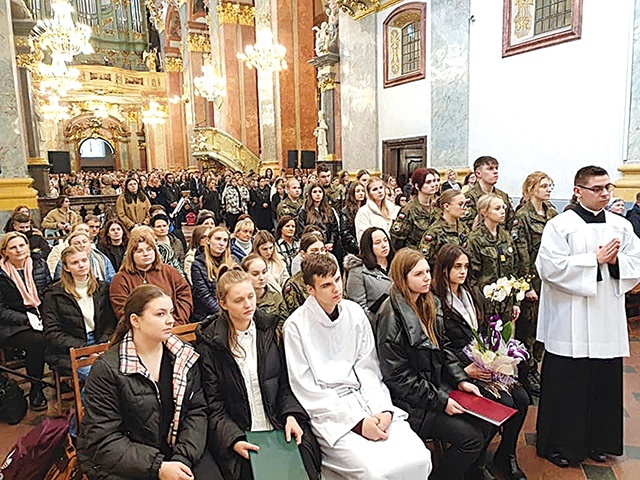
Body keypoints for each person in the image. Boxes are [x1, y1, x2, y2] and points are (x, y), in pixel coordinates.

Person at [283, 254, 432, 479]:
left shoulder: (354, 312)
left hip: (368, 400)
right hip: (331, 415)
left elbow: (368, 368)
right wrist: (357, 424)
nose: (335, 288)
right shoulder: (295, 326)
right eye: (326, 285)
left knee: (419, 458)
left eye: (337, 280)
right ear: (310, 289)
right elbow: (307, 389)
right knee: (374, 472)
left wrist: (383, 410)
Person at [535, 166, 640, 468]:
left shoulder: (620, 225)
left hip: (606, 316)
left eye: (608, 187)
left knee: (602, 382)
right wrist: (593, 260)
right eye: (597, 188)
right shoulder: (560, 225)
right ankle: (561, 444)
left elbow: (636, 261)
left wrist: (618, 260)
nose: (605, 193)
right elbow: (549, 268)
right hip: (571, 319)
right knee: (569, 382)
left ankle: (599, 442)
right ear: (578, 191)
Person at [375, 247, 497, 480]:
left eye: (428, 272)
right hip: (410, 403)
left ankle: (470, 471)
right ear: (403, 278)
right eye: (419, 274)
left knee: (486, 421)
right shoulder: (390, 316)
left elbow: (443, 350)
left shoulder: (429, 302)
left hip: (434, 389)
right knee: (471, 439)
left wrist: (461, 380)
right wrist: (442, 402)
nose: (427, 278)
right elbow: (398, 378)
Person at [78, 284, 221, 479]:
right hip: (129, 463)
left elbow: (196, 411)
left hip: (178, 450)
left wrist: (182, 459)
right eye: (160, 314)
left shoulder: (184, 356)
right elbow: (103, 440)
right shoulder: (107, 369)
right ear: (135, 320)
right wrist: (159, 467)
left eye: (171, 312)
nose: (170, 320)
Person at [196, 268, 320, 479]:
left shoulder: (268, 330)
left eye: (251, 296)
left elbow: (285, 383)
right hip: (241, 434)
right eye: (239, 300)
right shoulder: (211, 344)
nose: (248, 304)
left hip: (279, 425)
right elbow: (213, 404)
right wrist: (233, 439)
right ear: (223, 304)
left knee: (305, 466)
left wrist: (290, 415)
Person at [433, 244, 529, 480]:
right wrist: (464, 371)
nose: (462, 271)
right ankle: (475, 464)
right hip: (459, 370)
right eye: (457, 267)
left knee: (523, 400)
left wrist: (494, 354)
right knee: (504, 401)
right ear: (444, 269)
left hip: (482, 365)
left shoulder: (472, 293)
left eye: (465, 266)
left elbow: (484, 329)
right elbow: (439, 346)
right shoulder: (436, 301)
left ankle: (506, 455)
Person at [512, 172, 557, 396]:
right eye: (544, 186)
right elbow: (521, 254)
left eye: (550, 186)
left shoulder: (552, 214)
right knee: (528, 327)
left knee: (543, 325)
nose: (548, 189)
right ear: (531, 188)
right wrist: (526, 284)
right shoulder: (523, 216)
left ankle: (535, 366)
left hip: (549, 280)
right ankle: (525, 371)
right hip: (532, 280)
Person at [42, 246, 117, 377]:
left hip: (101, 342)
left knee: (122, 371)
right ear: (66, 267)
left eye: (84, 260)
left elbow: (110, 323)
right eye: (75, 263)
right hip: (69, 349)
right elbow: (53, 333)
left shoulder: (103, 288)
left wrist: (101, 347)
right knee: (100, 376)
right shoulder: (54, 294)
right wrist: (86, 351)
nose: (81, 265)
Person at [0, 232, 51, 411]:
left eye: (22, 245)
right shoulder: (1, 274)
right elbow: (1, 309)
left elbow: (48, 292)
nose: (19, 250)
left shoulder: (39, 264)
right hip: (11, 324)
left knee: (59, 331)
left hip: (40, 314)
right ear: (5, 252)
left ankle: (65, 375)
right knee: (38, 341)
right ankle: (36, 388)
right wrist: (26, 319)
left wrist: (46, 316)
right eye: (13, 247)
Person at [110, 228, 192, 325]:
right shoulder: (121, 279)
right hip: (140, 331)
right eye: (139, 251)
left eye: (149, 249)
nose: (146, 254)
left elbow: (184, 296)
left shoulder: (169, 271)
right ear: (131, 255)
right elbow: (123, 311)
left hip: (174, 325)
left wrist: (175, 322)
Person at [466, 194, 521, 323]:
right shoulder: (475, 239)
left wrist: (516, 302)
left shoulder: (505, 237)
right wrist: (478, 304)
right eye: (497, 208)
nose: (502, 211)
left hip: (506, 304)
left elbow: (513, 270)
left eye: (503, 207)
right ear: (484, 212)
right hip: (485, 305)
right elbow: (472, 277)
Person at [344, 227, 394, 320]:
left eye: (385, 240)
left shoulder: (396, 264)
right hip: (376, 326)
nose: (384, 245)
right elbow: (359, 308)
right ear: (368, 246)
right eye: (377, 243)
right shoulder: (357, 271)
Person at [191, 226, 235, 322]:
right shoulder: (197, 264)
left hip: (231, 309)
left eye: (225, 240)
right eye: (218, 239)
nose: (221, 243)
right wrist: (224, 313)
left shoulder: (233, 261)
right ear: (208, 241)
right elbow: (203, 295)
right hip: (207, 315)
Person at [390, 168, 441, 250]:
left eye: (434, 181)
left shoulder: (437, 208)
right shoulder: (408, 210)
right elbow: (397, 241)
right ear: (417, 186)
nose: (433, 184)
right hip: (414, 256)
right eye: (428, 182)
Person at [419, 189, 470, 267]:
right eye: (460, 204)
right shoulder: (434, 232)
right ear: (446, 206)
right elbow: (424, 259)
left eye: (465, 204)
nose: (465, 208)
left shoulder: (464, 228)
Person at [464, 156, 515, 230]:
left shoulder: (503, 196)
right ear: (478, 173)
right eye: (490, 169)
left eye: (496, 168)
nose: (495, 171)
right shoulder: (469, 197)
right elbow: (467, 227)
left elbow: (510, 223)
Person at [241, 254, 289, 328]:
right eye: (255, 274)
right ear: (244, 274)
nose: (261, 277)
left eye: (264, 272)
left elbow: (284, 322)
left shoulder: (276, 296)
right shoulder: (241, 300)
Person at [297, 181, 341, 260]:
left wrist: (331, 242)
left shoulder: (329, 210)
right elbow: (301, 232)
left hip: (328, 247)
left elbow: (334, 228)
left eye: (320, 192)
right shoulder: (304, 211)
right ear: (310, 194)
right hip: (312, 247)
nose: (318, 194)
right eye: (315, 192)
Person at [355, 176, 400, 243]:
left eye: (381, 188)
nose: (379, 191)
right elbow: (363, 238)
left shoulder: (393, 208)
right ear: (369, 193)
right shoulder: (363, 212)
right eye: (375, 189)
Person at [340, 182, 366, 255]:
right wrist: (357, 246)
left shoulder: (367, 208)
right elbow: (345, 233)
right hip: (353, 248)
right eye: (358, 191)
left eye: (363, 191)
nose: (361, 193)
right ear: (352, 193)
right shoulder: (346, 211)